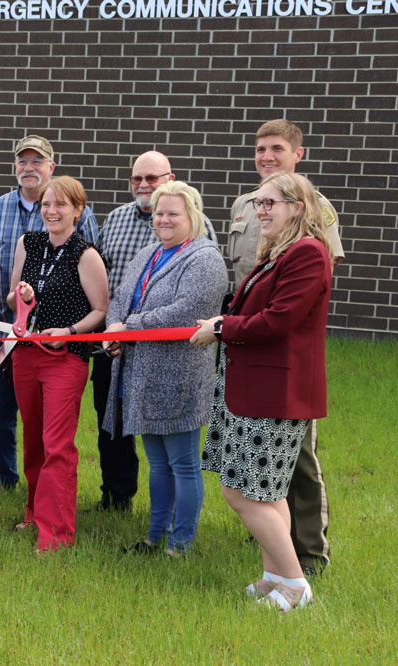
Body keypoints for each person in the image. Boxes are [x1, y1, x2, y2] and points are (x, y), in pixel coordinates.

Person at [192, 171, 331, 611]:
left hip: (276, 391)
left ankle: (295, 585)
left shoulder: (308, 253)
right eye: (258, 203)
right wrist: (225, 324)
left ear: (299, 208)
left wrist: (221, 328)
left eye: (271, 202)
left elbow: (278, 320)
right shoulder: (279, 253)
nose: (261, 210)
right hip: (252, 385)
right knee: (267, 493)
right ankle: (274, 577)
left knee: (243, 493)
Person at [226, 119, 344, 576]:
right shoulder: (244, 205)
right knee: (258, 468)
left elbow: (302, 296)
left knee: (299, 459)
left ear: (299, 154)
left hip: (282, 352)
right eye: (260, 149)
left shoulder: (315, 211)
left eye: (276, 148)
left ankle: (309, 554)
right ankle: (273, 545)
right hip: (245, 342)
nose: (266, 156)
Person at [101, 181, 226, 555]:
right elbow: (121, 296)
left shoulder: (205, 258)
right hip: (141, 373)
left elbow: (187, 311)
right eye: (158, 213)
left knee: (183, 463)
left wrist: (129, 327)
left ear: (193, 216)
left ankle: (181, 543)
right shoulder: (149, 252)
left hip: (179, 375)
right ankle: (156, 535)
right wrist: (112, 327)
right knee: (157, 462)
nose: (164, 220)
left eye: (173, 213)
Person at [0, 135, 99, 494]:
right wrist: (21, 297)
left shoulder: (78, 214)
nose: (29, 168)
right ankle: (0, 477)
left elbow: (87, 265)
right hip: (7, 329)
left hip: (56, 341)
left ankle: (49, 492)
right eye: (22, 161)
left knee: (50, 424)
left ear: (52, 166)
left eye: (37, 161)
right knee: (0, 411)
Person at [6, 176, 108, 551]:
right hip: (25, 355)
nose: (51, 211)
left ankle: (56, 534)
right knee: (32, 439)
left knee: (57, 443)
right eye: (47, 204)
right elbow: (11, 296)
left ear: (77, 211)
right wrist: (23, 295)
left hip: (65, 359)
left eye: (61, 205)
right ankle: (34, 513)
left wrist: (69, 330)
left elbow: (101, 309)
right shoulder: (27, 244)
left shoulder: (86, 254)